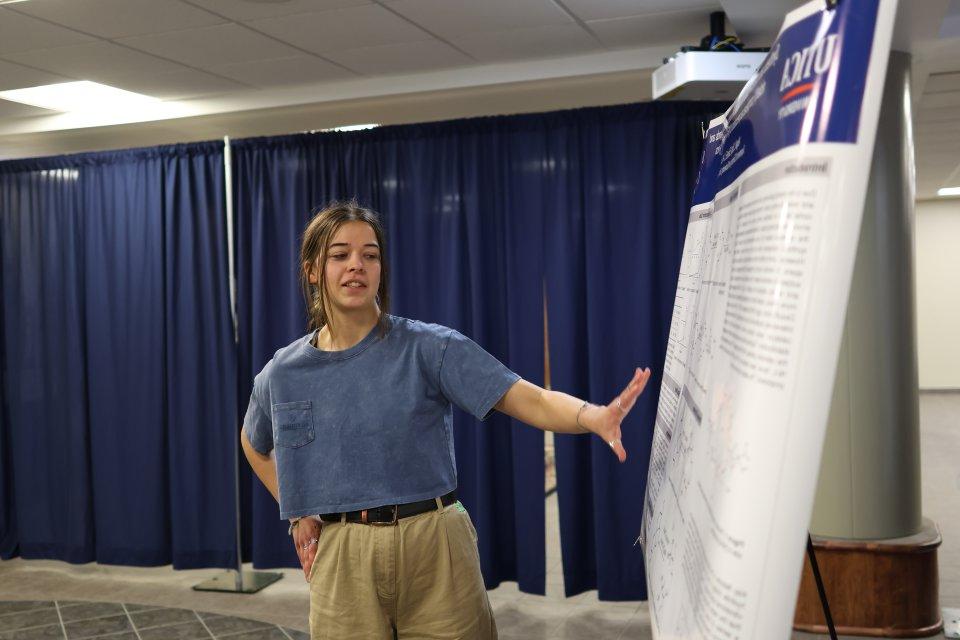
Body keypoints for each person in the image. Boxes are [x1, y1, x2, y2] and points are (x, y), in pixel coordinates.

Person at [240, 201, 651, 640]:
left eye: (370, 254)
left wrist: (593, 416)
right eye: (340, 255)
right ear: (312, 270)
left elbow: (528, 398)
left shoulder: (429, 347)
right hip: (342, 557)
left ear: (381, 269)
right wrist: (298, 509)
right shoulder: (284, 371)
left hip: (435, 543)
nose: (356, 265)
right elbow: (253, 442)